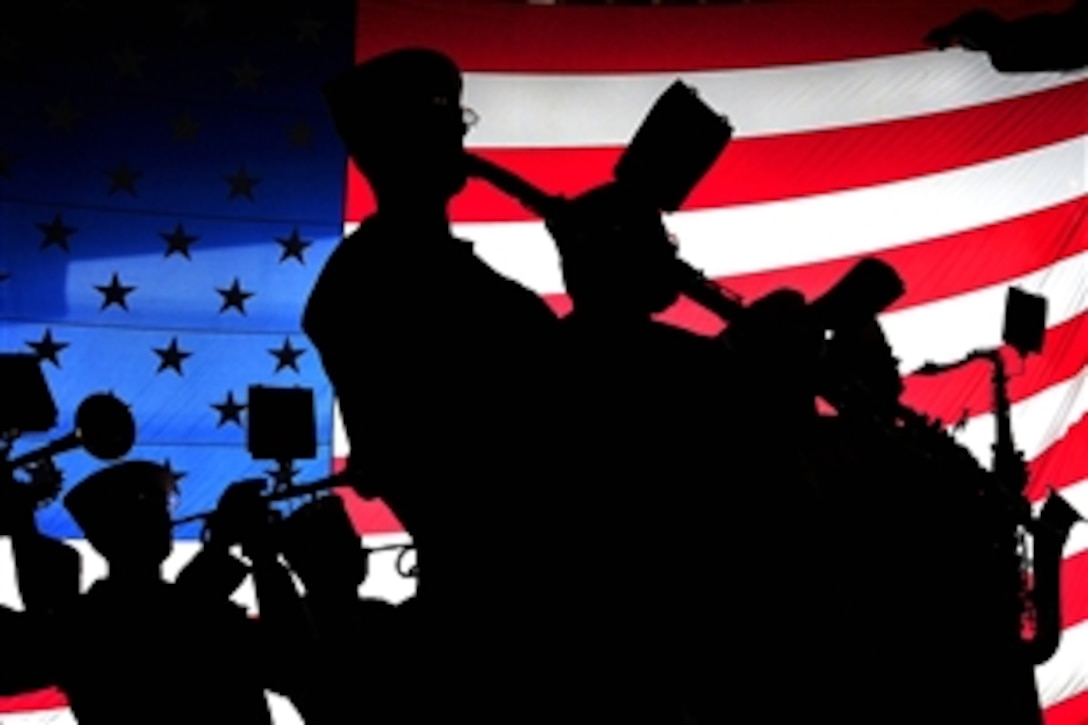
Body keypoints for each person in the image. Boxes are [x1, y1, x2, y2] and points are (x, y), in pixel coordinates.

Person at [303, 47, 561, 724]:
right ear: (396, 146)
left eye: (457, 119)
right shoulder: (369, 284)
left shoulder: (430, 274)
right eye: (442, 123)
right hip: (497, 597)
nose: (460, 137)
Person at [0, 461, 310, 724]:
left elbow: (177, 608)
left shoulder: (79, 624)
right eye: (150, 511)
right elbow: (291, 664)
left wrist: (227, 548)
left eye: (160, 508)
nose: (165, 521)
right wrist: (260, 555)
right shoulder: (94, 624)